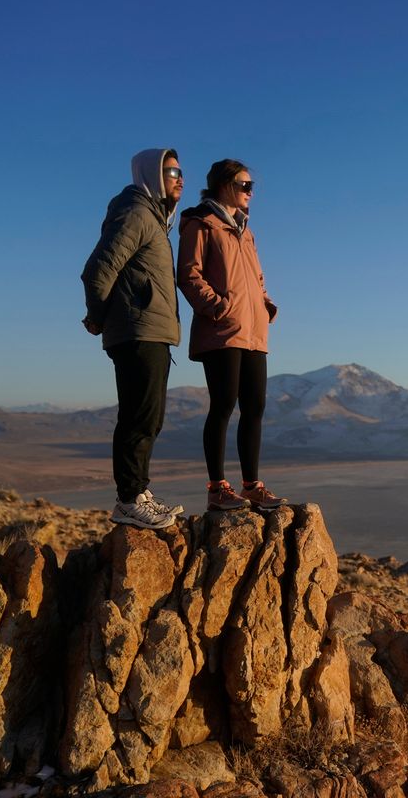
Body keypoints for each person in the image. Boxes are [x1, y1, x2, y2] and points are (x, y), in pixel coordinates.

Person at [80, 148, 186, 529]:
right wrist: (98, 318)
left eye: (179, 172)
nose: (179, 178)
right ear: (150, 174)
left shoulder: (155, 219)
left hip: (151, 331)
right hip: (137, 330)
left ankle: (138, 493)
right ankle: (128, 499)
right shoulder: (136, 212)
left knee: (149, 417)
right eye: (171, 171)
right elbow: (96, 271)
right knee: (139, 416)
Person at [177, 159, 287, 511]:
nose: (250, 192)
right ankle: (217, 488)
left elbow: (256, 277)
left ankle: (252, 485)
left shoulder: (246, 230)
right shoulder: (201, 224)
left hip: (253, 329)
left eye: (251, 186)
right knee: (223, 405)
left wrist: (265, 303)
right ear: (225, 185)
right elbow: (189, 275)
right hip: (222, 330)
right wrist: (217, 307)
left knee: (255, 406)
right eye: (245, 185)